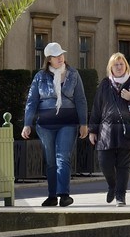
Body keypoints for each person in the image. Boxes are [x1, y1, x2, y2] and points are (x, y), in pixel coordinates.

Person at [22, 42, 89, 207]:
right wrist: (27, 123)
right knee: (51, 161)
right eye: (56, 56)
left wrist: (84, 123)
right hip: (45, 125)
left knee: (62, 157)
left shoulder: (73, 74)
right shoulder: (40, 77)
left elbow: (81, 100)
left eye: (61, 55)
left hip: (68, 123)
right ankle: (52, 196)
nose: (60, 58)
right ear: (49, 59)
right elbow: (32, 101)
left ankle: (64, 195)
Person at [89, 51, 130, 205]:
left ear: (126, 66)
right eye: (115, 64)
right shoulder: (105, 84)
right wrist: (93, 130)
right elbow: (97, 108)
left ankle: (120, 196)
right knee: (104, 162)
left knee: (123, 165)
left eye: (121, 64)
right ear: (110, 68)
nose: (119, 67)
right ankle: (112, 186)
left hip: (126, 130)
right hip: (107, 131)